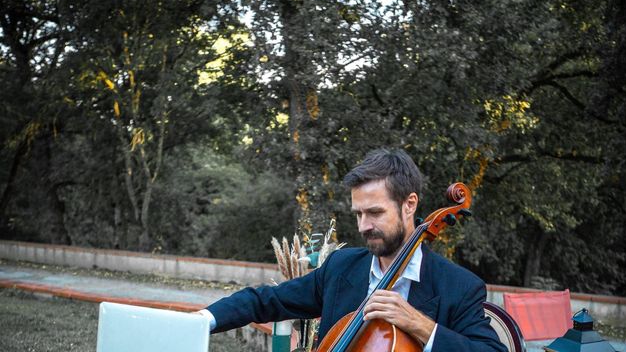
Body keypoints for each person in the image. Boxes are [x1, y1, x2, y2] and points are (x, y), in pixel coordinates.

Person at [198, 149, 506, 352]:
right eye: (358, 214)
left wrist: (419, 324)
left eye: (374, 212)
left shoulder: (458, 286)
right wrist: (201, 321)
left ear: (409, 204)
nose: (363, 226)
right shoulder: (341, 268)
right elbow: (265, 301)